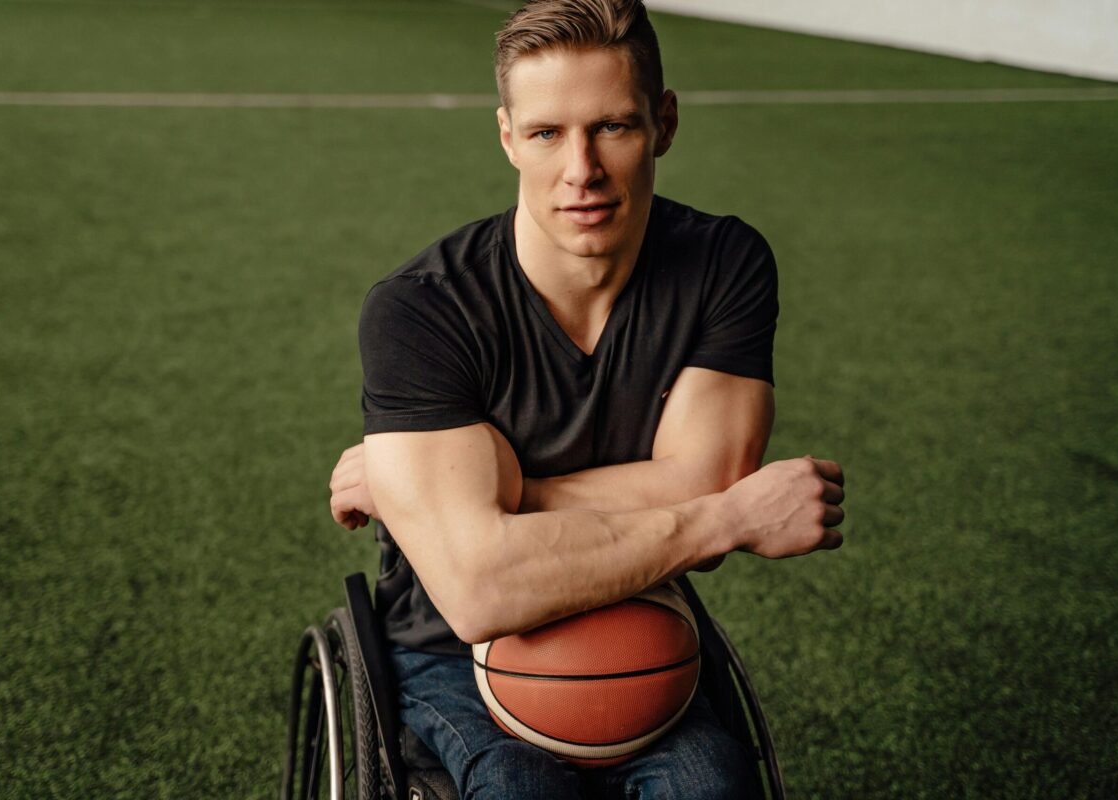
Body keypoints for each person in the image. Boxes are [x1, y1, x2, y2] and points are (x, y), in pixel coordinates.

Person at [328, 1, 846, 796]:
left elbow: (704, 475)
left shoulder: (723, 264)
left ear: (663, 122)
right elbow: (476, 592)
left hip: (642, 613)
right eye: (546, 134)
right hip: (445, 649)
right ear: (507, 136)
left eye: (612, 127)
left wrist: (498, 503)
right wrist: (731, 517)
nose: (582, 170)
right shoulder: (421, 308)